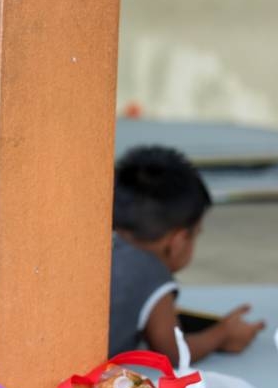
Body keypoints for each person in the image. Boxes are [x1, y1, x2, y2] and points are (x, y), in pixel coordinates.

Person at [110, 145, 265, 362]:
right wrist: (223, 334)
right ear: (178, 241)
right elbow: (173, 353)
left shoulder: (103, 245)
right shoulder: (152, 273)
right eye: (196, 235)